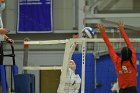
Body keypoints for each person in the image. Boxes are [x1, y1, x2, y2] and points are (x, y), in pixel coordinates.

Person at [97, 22, 137, 93]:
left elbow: (109, 47)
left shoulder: (117, 61)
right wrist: (122, 30)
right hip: (132, 90)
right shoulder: (133, 59)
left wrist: (103, 32)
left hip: (122, 91)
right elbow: (129, 43)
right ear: (131, 54)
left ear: (121, 55)